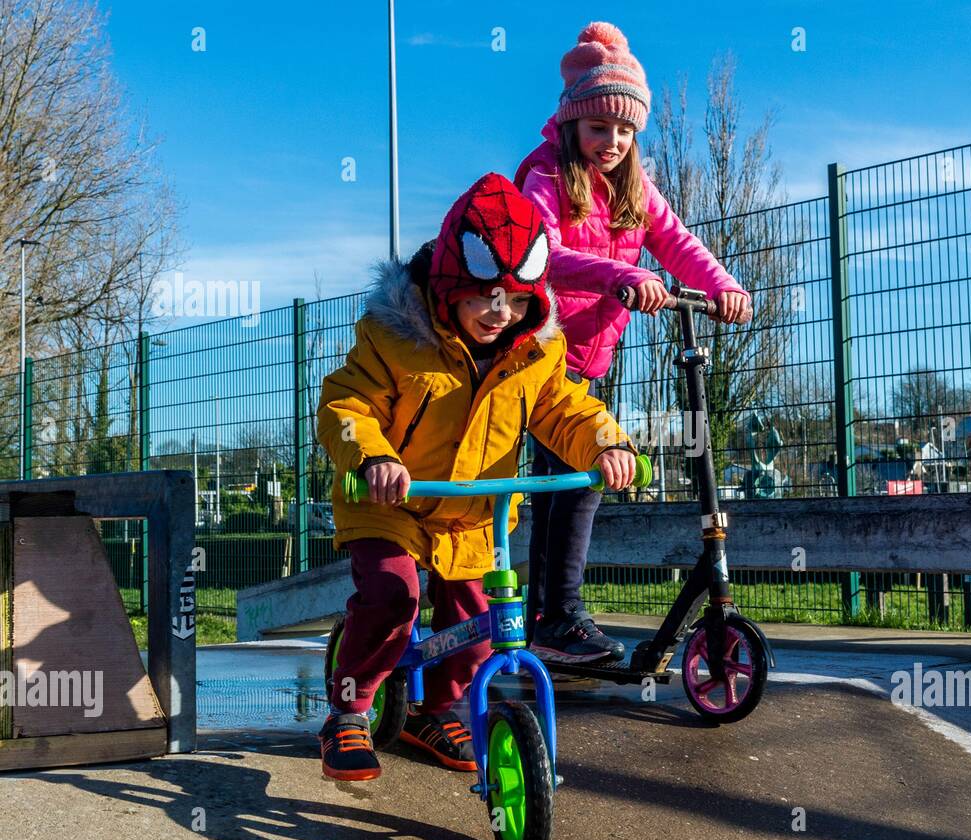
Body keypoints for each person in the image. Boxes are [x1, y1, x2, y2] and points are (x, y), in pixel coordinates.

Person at [315, 172, 636, 781]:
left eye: (517, 301)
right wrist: (374, 459)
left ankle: (432, 710)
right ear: (449, 288)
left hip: (473, 510)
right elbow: (346, 406)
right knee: (392, 599)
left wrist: (605, 445)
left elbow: (565, 409)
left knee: (477, 622)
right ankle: (349, 711)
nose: (501, 313)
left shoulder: (534, 354)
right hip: (391, 501)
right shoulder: (393, 338)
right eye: (486, 295)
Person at [514, 21, 751, 663]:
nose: (613, 142)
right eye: (599, 128)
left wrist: (723, 285)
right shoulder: (546, 176)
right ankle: (555, 617)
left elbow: (675, 241)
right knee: (581, 475)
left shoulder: (633, 191)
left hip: (587, 360)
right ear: (572, 125)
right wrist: (623, 275)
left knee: (562, 484)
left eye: (625, 130)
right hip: (535, 358)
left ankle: (547, 620)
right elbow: (543, 254)